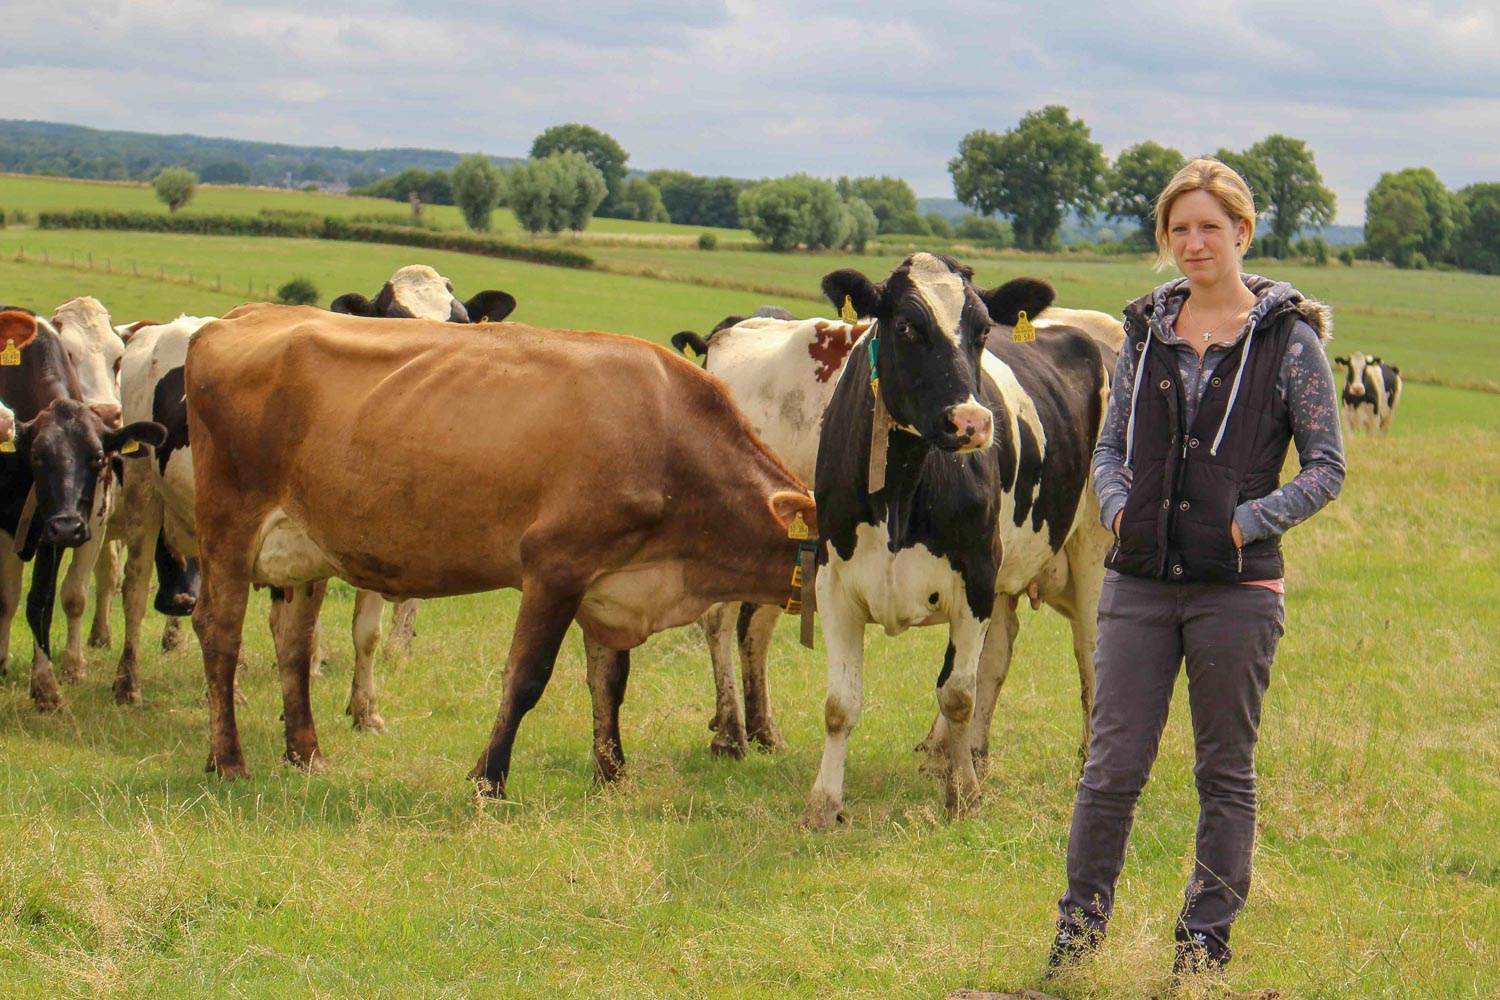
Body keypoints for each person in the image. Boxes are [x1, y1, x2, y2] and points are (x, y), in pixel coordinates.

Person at [1048, 158, 1346, 979]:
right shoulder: (1144, 334)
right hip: (1138, 583)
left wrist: (1244, 525)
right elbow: (1109, 448)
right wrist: (1119, 511)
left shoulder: (1289, 342)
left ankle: (1202, 952)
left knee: (1224, 772)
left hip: (1236, 593)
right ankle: (1077, 942)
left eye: (1210, 226)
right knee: (1111, 769)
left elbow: (1326, 466)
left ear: (1242, 232)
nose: (1194, 242)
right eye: (1178, 228)